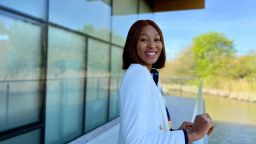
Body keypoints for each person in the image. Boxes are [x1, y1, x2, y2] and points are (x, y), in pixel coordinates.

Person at [118, 19, 214, 144]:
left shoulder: (149, 76)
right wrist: (191, 134)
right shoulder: (137, 75)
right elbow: (135, 141)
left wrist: (176, 132)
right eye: (143, 40)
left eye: (157, 39)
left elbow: (150, 131)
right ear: (133, 44)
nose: (152, 45)